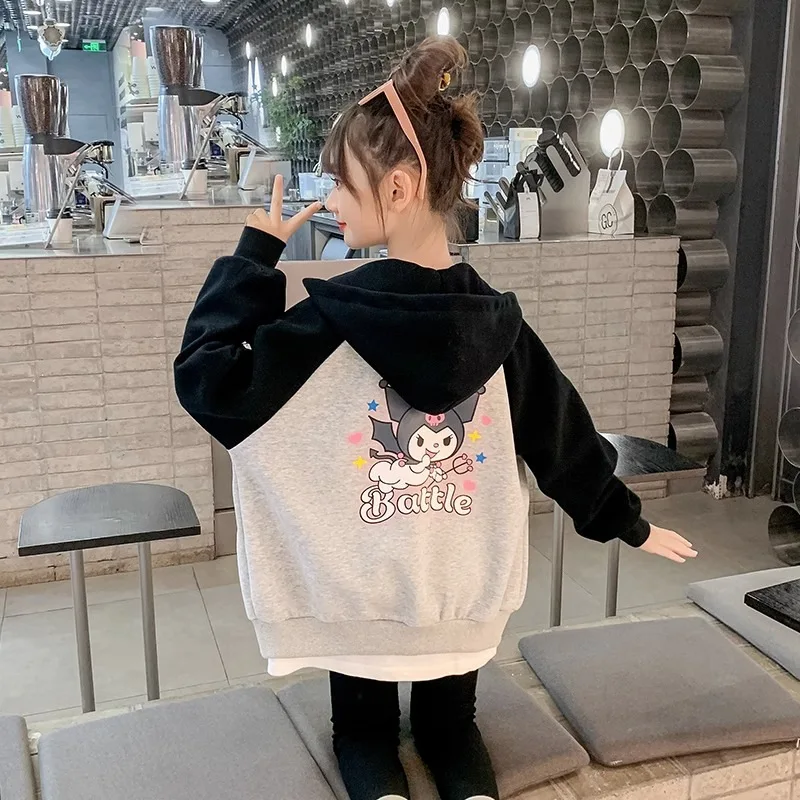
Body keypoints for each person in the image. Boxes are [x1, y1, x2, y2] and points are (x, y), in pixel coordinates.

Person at [174, 35, 697, 800]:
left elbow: (208, 381)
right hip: (461, 594)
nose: (330, 200)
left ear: (397, 187)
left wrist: (255, 258)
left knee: (362, 734)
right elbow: (563, 438)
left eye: (341, 183)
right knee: (453, 731)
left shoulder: (326, 325)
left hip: (356, 596)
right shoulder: (500, 327)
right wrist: (628, 522)